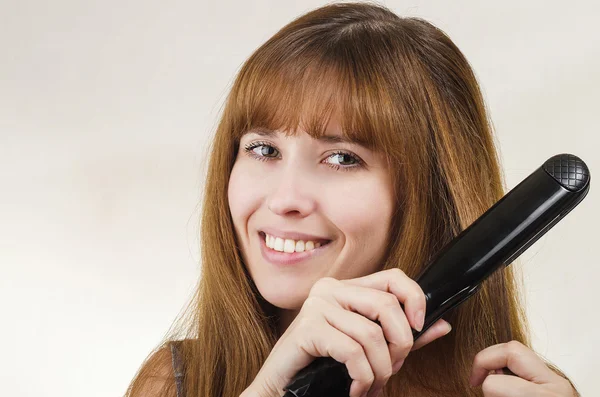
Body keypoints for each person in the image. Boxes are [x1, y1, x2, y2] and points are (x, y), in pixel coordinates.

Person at [124, 2, 580, 396]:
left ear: (433, 192)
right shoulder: (179, 383)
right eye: (263, 149)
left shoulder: (518, 390)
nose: (285, 198)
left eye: (341, 158)